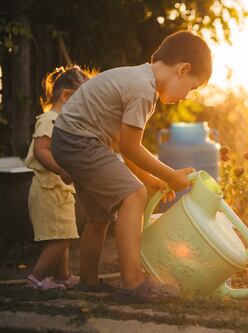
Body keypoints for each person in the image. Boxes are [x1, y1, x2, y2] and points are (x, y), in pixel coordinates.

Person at [51, 30, 212, 302]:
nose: (186, 96)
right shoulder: (142, 90)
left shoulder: (137, 79)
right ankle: (132, 281)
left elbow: (125, 148)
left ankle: (88, 282)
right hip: (80, 141)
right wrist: (171, 176)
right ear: (183, 70)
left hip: (71, 139)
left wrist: (152, 178)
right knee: (133, 195)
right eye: (192, 88)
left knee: (100, 215)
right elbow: (130, 148)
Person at [25, 66, 89, 289]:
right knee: (61, 236)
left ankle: (62, 276)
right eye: (82, 101)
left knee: (64, 234)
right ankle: (36, 278)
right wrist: (61, 170)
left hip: (59, 191)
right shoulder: (50, 119)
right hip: (48, 189)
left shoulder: (61, 122)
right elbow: (41, 150)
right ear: (66, 96)